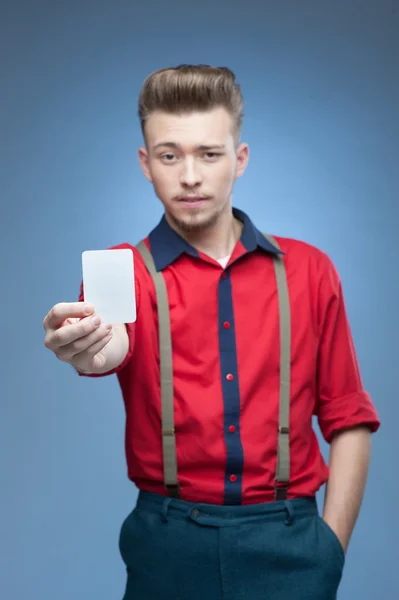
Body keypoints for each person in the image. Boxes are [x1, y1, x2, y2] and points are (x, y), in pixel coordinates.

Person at [43, 64, 380, 600]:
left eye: (209, 154)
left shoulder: (310, 270)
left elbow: (349, 417)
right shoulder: (123, 272)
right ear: (146, 164)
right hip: (168, 545)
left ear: (239, 160)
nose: (191, 176)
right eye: (170, 155)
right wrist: (85, 349)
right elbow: (107, 350)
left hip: (292, 543)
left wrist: (330, 549)